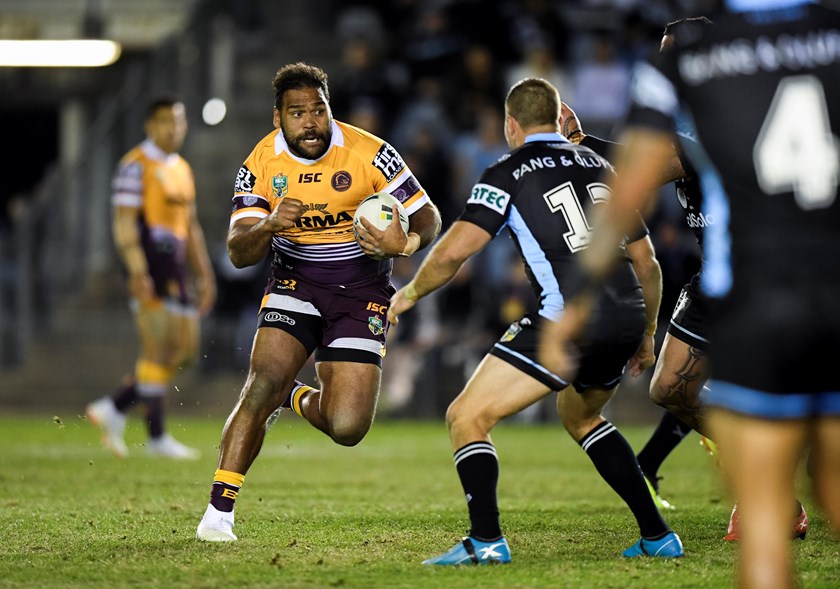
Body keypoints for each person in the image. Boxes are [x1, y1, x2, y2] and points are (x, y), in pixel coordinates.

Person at [539, 2, 840, 587]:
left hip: (749, 280)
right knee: (669, 386)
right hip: (787, 274)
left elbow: (645, 171)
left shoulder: (697, 69)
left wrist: (576, 294)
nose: (662, 67)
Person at [388, 77, 682, 565]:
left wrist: (411, 293)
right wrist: (647, 332)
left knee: (466, 417)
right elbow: (646, 260)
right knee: (582, 415)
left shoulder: (507, 171)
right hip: (627, 315)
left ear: (511, 124)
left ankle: (485, 542)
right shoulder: (602, 165)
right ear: (559, 117)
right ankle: (657, 535)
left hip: (569, 319)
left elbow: (456, 251)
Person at [195, 62, 441, 542]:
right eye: (297, 113)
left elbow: (427, 216)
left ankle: (297, 394)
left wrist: (404, 244)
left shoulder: (372, 154)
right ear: (278, 118)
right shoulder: (260, 164)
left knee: (348, 427)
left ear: (330, 110)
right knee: (261, 383)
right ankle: (218, 513)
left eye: (318, 110)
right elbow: (238, 252)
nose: (309, 122)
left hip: (362, 290)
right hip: (296, 282)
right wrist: (268, 226)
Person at [85, 97, 216, 460]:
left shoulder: (182, 168)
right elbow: (124, 222)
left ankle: (114, 406)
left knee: (184, 352)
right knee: (158, 349)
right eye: (164, 121)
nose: (172, 128)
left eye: (178, 121)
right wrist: (137, 268)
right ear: (149, 126)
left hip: (175, 266)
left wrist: (205, 273)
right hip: (150, 265)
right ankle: (156, 437)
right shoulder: (135, 166)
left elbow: (190, 227)